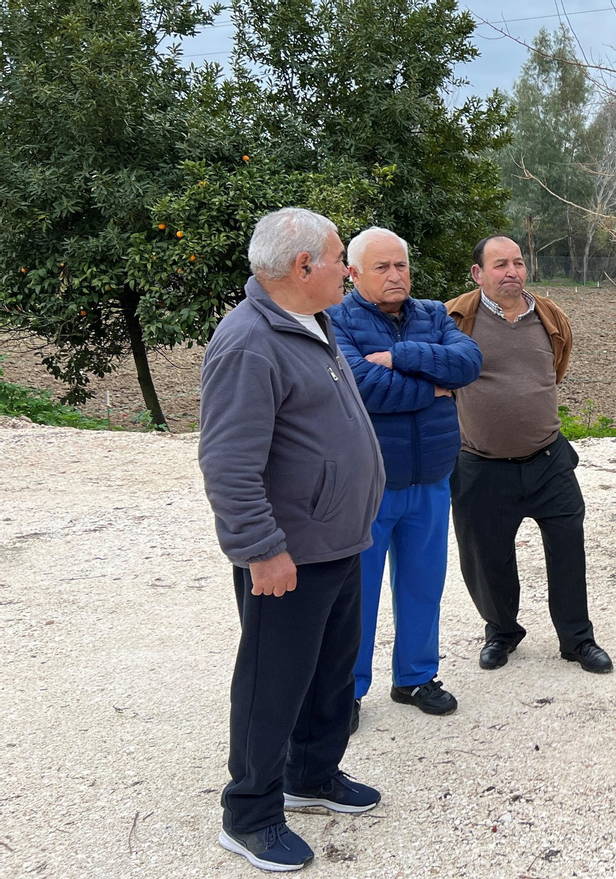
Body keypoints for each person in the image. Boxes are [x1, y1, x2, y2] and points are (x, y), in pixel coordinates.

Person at [199, 207, 385, 872]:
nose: (349, 269)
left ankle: (312, 774)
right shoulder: (249, 341)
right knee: (270, 684)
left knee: (330, 675)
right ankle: (248, 814)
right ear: (304, 266)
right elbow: (228, 461)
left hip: (338, 541)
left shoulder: (313, 320)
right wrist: (260, 548)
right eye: (340, 258)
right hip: (288, 554)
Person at [327, 227, 482, 732]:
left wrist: (403, 357)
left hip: (433, 477)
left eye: (401, 266)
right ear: (353, 274)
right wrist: (435, 388)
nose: (396, 276)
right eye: (381, 268)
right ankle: (345, 690)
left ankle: (415, 677)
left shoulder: (434, 314)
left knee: (423, 584)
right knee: (360, 592)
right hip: (370, 485)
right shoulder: (335, 321)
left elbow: (469, 362)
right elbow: (361, 385)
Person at [445, 236, 611, 674]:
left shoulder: (550, 316)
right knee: (486, 557)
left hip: (548, 460)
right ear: (478, 274)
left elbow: (555, 368)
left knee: (568, 551)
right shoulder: (455, 318)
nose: (512, 271)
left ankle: (577, 639)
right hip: (480, 464)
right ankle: (501, 632)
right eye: (500, 264)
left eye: (518, 262)